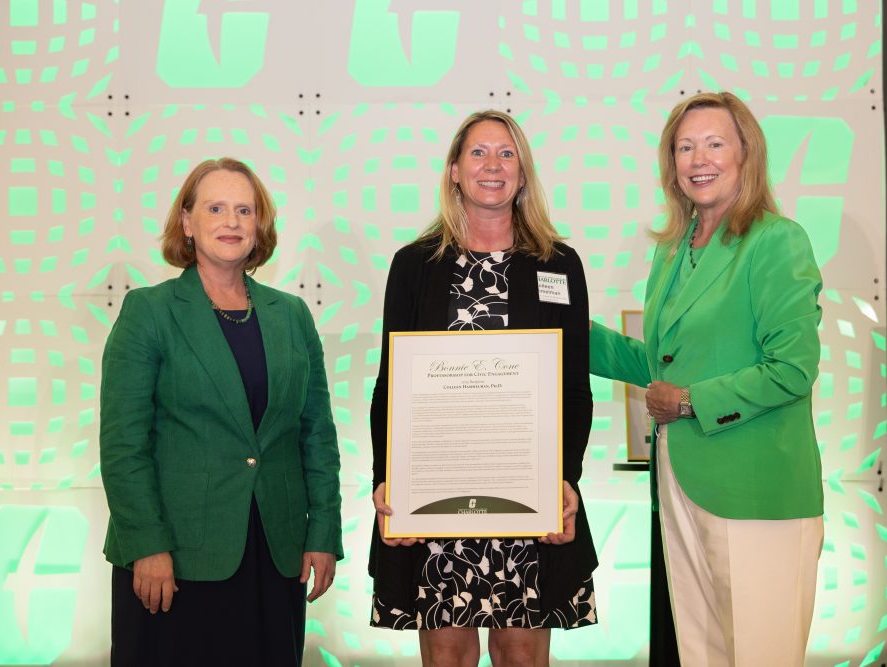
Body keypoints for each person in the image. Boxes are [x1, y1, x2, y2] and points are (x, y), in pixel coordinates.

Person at [589, 92, 824, 666]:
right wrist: (561, 324)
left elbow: (793, 368)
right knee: (703, 656)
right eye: (685, 146)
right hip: (679, 482)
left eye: (715, 143)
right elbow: (661, 368)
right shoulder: (673, 251)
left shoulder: (776, 240)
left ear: (747, 153)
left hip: (757, 491)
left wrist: (694, 402)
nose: (700, 158)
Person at [368, 110, 597, 666]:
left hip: (527, 494)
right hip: (435, 497)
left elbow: (572, 389)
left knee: (521, 651)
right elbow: (391, 385)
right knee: (446, 653)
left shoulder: (559, 265)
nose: (491, 165)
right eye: (477, 153)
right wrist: (386, 483)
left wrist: (565, 480)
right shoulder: (414, 265)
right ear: (453, 170)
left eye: (506, 153)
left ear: (522, 174)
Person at [99, 157, 342, 666]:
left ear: (260, 225)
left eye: (244, 210)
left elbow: (316, 433)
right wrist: (146, 545)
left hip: (274, 557)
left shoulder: (292, 315)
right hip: (173, 561)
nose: (231, 222)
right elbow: (124, 445)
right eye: (215, 208)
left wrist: (322, 532)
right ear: (187, 222)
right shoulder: (150, 311)